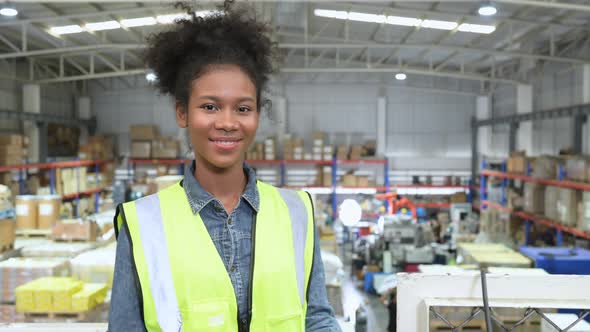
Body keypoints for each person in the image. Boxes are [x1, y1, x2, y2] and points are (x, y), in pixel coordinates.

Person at [108, 2, 341, 331]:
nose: (228, 123)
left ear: (257, 115)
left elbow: (316, 317)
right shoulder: (143, 224)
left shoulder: (297, 213)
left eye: (243, 108)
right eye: (210, 106)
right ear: (182, 113)